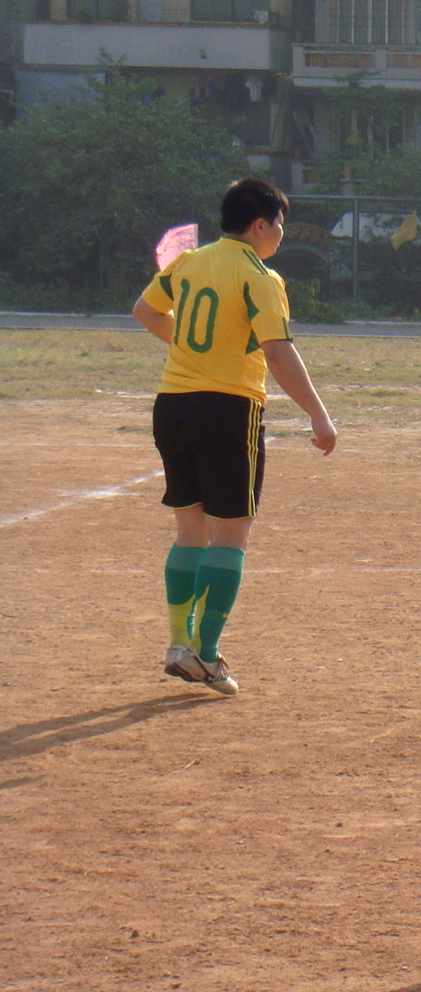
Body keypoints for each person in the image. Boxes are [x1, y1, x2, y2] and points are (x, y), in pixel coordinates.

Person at [130, 177, 338, 696]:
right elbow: (278, 352)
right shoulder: (260, 276)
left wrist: (189, 345)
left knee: (189, 533)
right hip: (227, 409)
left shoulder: (189, 262)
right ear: (260, 224)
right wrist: (319, 415)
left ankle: (179, 645)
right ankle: (206, 655)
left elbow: (146, 311)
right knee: (230, 537)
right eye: (280, 224)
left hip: (172, 405)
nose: (282, 234)